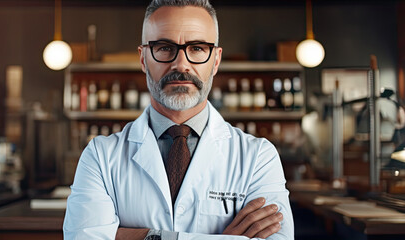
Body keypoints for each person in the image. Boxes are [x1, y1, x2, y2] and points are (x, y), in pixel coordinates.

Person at [63, 0, 294, 239]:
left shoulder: (258, 158)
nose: (181, 64)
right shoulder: (101, 156)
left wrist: (129, 236)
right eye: (164, 48)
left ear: (215, 60)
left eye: (197, 49)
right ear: (143, 59)